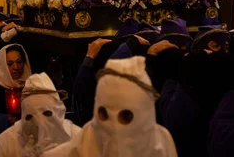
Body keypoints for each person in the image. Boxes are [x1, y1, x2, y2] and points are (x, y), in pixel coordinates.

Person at [45, 56, 177, 156]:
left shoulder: (161, 140)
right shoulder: (88, 135)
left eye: (126, 116)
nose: (114, 126)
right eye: (104, 114)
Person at [0, 72, 81, 156]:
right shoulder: (6, 142)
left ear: (58, 111)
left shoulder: (78, 139)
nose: (39, 124)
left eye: (47, 113)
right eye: (30, 117)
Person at [0, 44, 32, 145]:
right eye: (10, 64)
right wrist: (7, 119)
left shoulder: (29, 82)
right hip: (0, 138)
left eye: (19, 62)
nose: (16, 67)